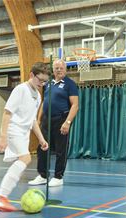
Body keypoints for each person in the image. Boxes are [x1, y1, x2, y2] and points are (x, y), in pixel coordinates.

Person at [0, 62, 50, 212]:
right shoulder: (20, 89)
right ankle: (0, 196)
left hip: (24, 133)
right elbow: (7, 112)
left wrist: (41, 139)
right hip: (13, 129)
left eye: (44, 81)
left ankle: (1, 196)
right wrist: (3, 137)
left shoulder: (38, 96)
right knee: (26, 159)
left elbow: (33, 120)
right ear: (31, 75)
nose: (42, 83)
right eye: (39, 80)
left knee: (23, 161)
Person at [29, 59, 78, 187]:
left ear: (65, 69)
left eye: (61, 68)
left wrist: (67, 122)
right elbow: (44, 102)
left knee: (61, 149)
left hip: (61, 119)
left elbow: (75, 106)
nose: (59, 70)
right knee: (42, 147)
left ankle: (58, 176)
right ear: (53, 70)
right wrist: (39, 119)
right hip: (46, 119)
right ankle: (43, 175)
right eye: (56, 68)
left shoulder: (70, 84)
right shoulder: (48, 83)